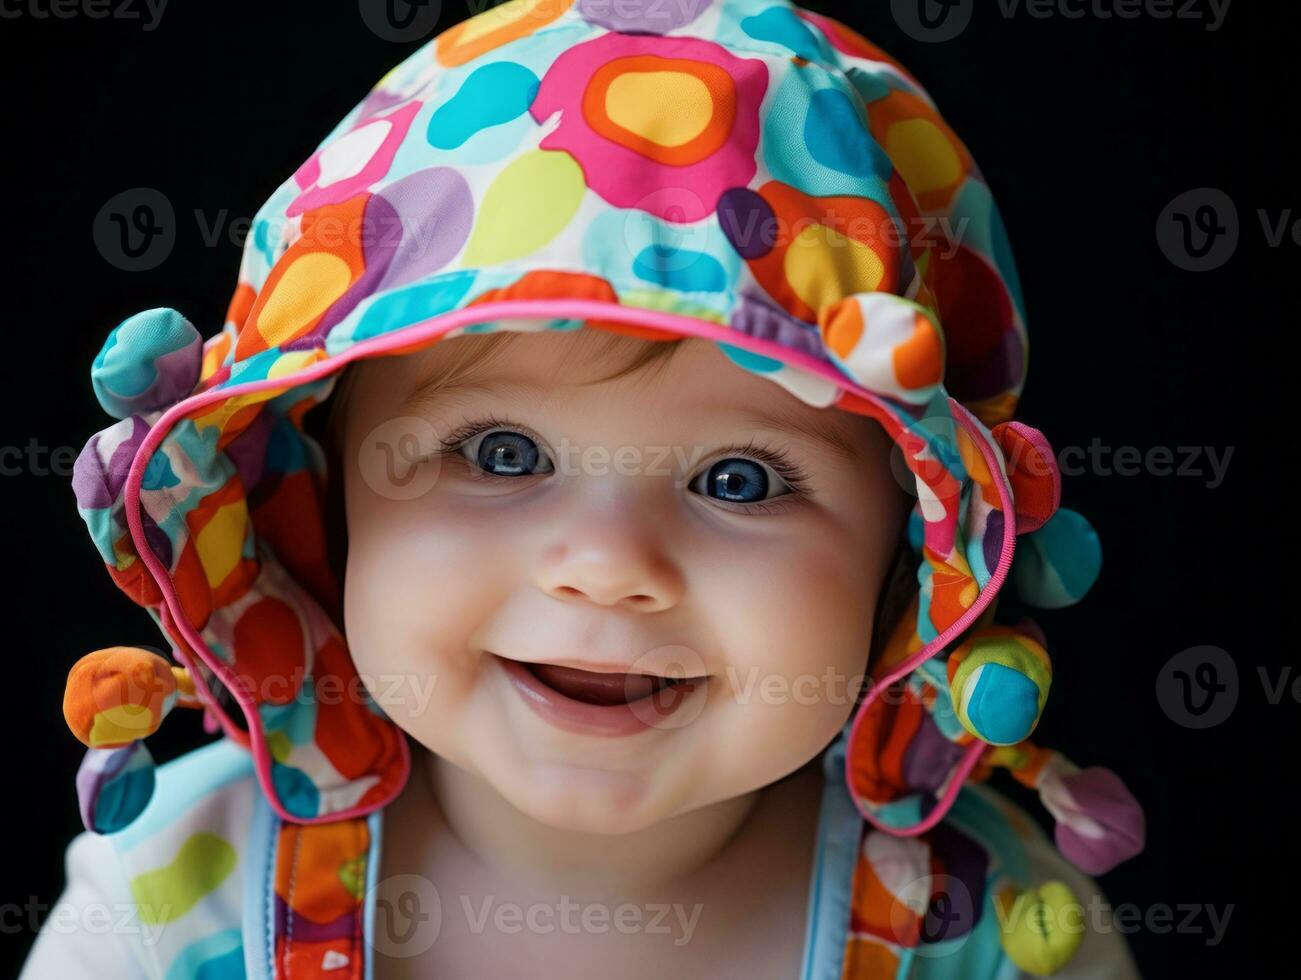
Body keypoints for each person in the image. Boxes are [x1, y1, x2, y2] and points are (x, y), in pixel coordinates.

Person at [24, 1, 1146, 976]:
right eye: (500, 453)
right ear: (315, 499)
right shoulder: (170, 899)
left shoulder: (993, 931)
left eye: (739, 477)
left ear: (916, 559)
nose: (607, 565)